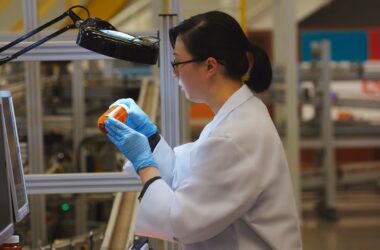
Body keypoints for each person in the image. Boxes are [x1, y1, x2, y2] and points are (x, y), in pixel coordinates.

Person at [104, 10, 302, 250]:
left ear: (209, 66)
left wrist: (144, 164)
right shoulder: (237, 115)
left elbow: (180, 221)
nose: (174, 72)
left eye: (177, 62)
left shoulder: (233, 136)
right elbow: (188, 173)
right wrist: (151, 139)